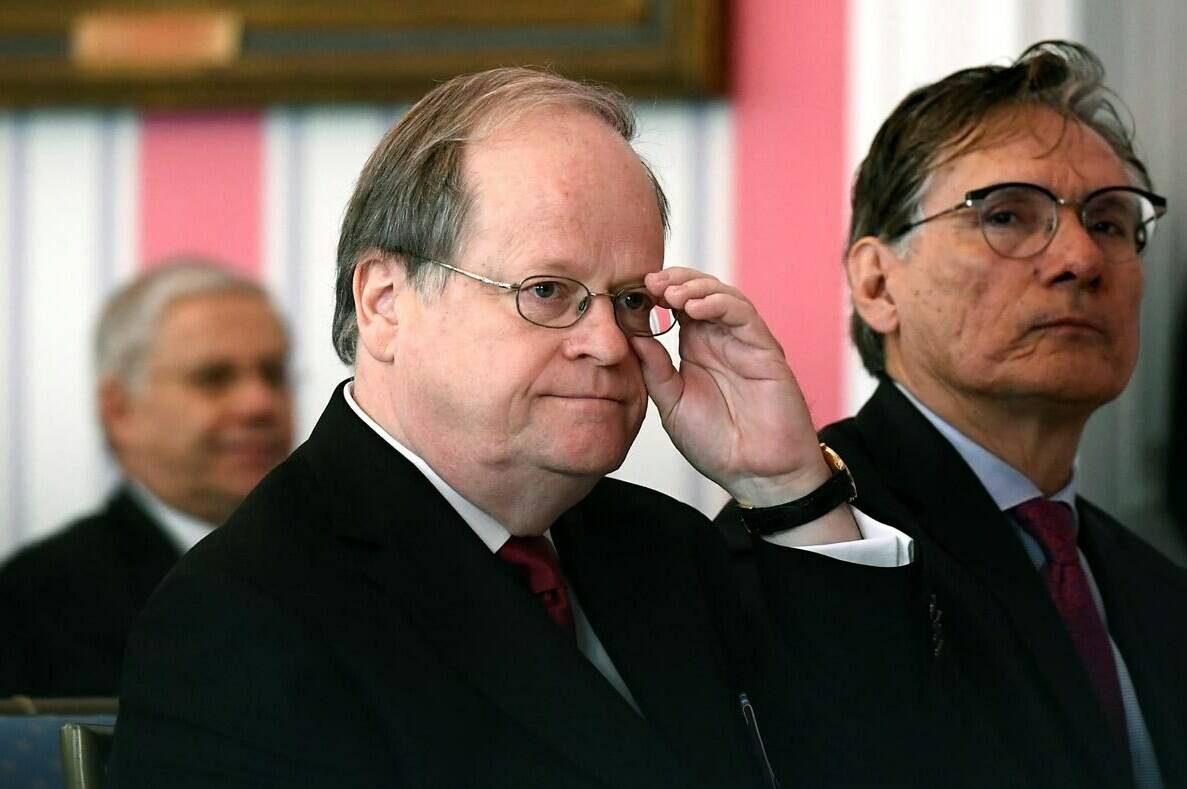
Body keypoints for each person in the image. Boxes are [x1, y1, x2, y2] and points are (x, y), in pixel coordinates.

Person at [109, 68, 914, 788]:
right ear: (385, 302)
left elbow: (892, 753)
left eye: (630, 299)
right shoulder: (245, 613)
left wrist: (785, 486)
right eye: (546, 290)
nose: (606, 344)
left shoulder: (663, 545)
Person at [832, 40, 1186, 788]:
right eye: (1006, 216)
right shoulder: (814, 540)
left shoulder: (1159, 590)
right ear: (876, 282)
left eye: (1110, 222)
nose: (1080, 259)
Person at [0, 260, 293, 697]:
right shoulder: (35, 601)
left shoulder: (359, 569)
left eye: (273, 375)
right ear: (119, 410)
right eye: (213, 378)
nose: (260, 404)